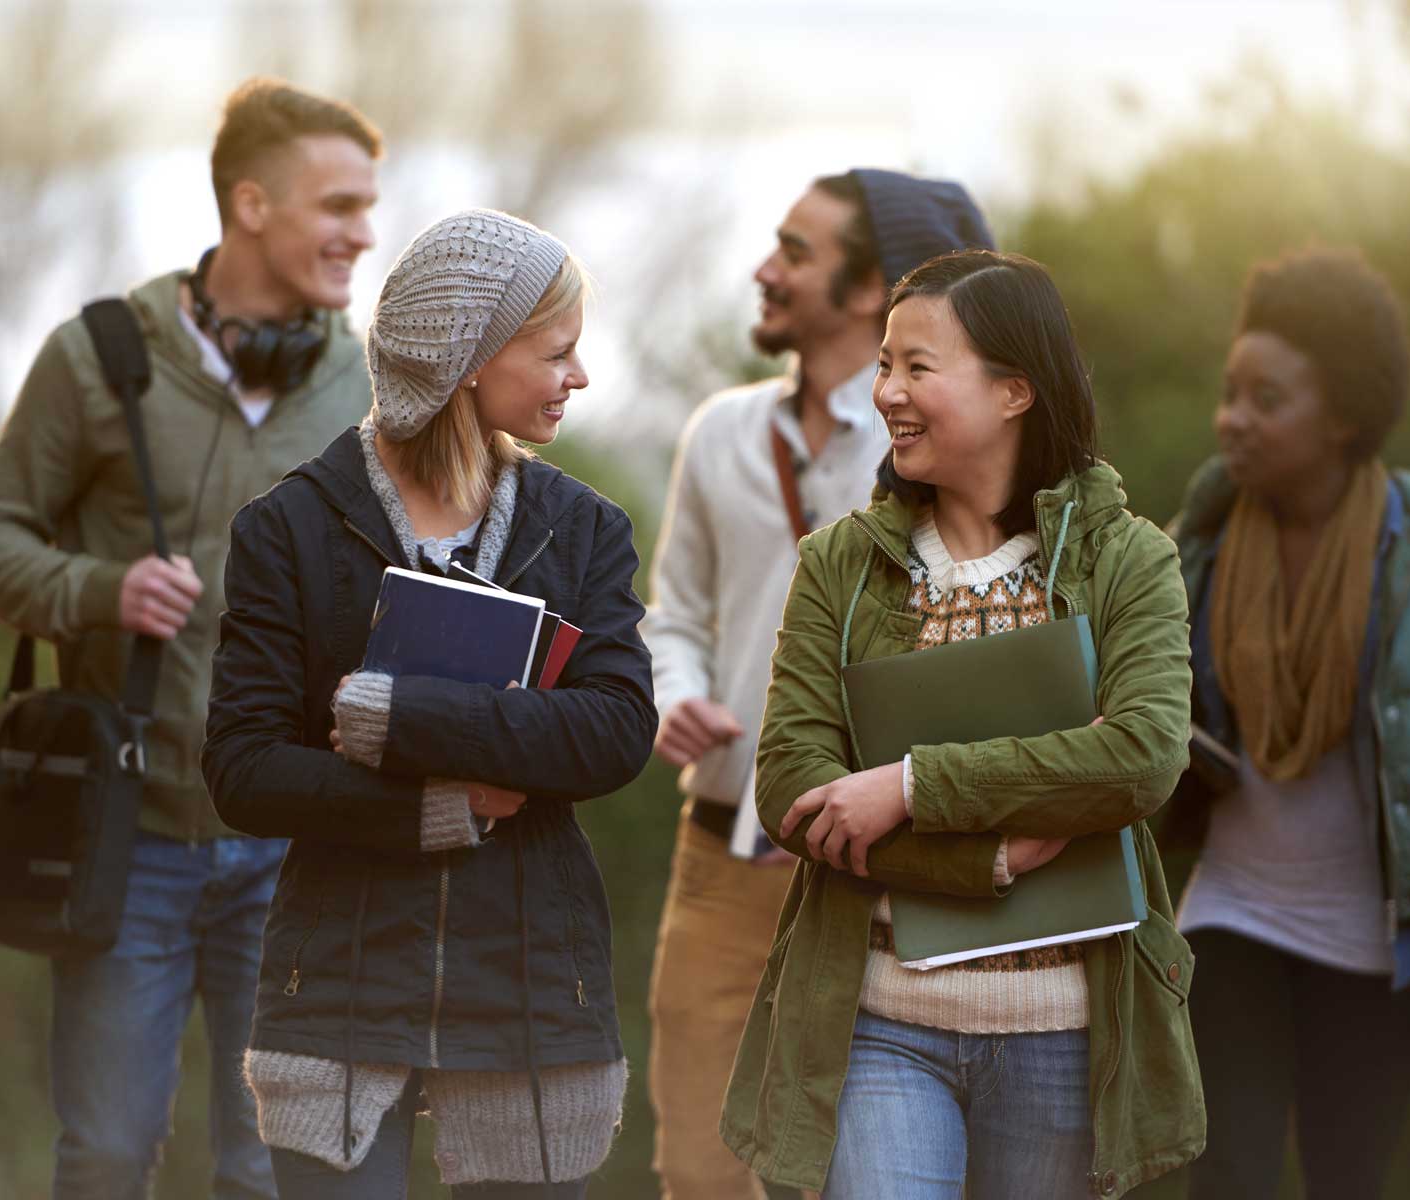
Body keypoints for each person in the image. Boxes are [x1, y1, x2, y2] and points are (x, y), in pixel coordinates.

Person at [0, 77, 381, 1199]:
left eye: (368, 206)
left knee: (267, 1165)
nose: (363, 233)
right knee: (103, 1155)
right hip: (124, 837)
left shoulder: (369, 381)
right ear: (252, 204)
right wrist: (100, 590)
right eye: (337, 205)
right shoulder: (99, 355)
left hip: (294, 842)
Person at [720, 250, 1205, 1199]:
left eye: (917, 367)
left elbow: (1142, 756)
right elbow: (791, 786)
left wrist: (904, 787)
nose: (886, 391)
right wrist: (984, 860)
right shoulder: (840, 565)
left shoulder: (1129, 559)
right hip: (876, 1023)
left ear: (1014, 391)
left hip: (1068, 1036)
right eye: (884, 364)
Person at [201, 209, 657, 1199]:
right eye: (559, 353)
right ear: (470, 360)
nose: (580, 377)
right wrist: (434, 808)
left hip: (530, 993)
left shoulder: (584, 531)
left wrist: (400, 718)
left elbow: (617, 732)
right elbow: (241, 767)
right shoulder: (288, 530)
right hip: (337, 993)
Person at [642, 169, 993, 1200]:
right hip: (718, 858)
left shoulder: (937, 450)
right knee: (700, 1176)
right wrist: (676, 692)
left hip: (883, 869)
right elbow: (675, 614)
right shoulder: (719, 432)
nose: (765, 270)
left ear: (871, 286)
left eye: (795, 252)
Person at [1161, 247, 1410, 1200]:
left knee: (1345, 1178)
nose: (1231, 420)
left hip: (1370, 948)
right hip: (1230, 912)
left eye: (1266, 400)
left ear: (1345, 416)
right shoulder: (1196, 545)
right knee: (1225, 1177)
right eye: (1229, 392)